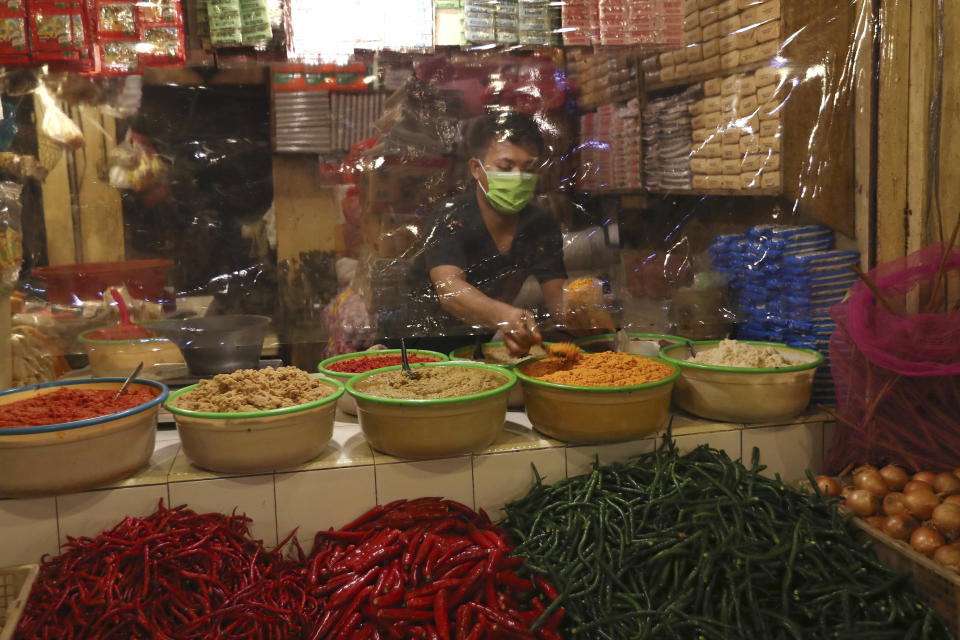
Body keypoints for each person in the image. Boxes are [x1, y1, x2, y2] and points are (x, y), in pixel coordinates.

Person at [405, 111, 567, 356]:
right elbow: (449, 289)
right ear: (476, 169)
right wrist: (506, 316)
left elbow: (558, 297)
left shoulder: (539, 225)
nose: (518, 177)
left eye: (529, 168)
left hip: (480, 346)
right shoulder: (450, 217)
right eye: (505, 166)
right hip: (421, 346)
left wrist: (584, 306)